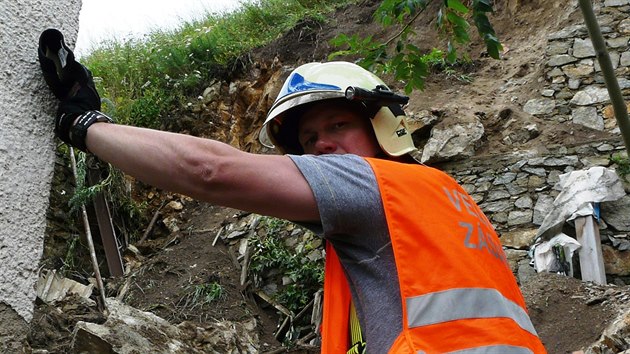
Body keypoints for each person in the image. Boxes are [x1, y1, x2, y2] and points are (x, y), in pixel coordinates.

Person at [39, 29, 546, 353]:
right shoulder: (439, 196)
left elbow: (208, 171)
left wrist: (86, 125)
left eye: (338, 125)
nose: (321, 147)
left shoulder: (373, 182)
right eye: (307, 140)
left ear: (382, 127)